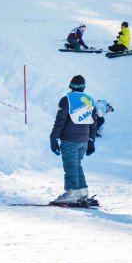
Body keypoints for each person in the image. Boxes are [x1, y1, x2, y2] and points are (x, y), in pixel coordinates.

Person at [50, 74, 99, 206]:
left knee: (71, 166)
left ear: (71, 86)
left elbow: (60, 121)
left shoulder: (67, 100)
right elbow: (93, 123)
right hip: (84, 140)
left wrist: (53, 138)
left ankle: (72, 193)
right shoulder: (90, 100)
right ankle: (82, 192)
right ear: (84, 87)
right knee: (77, 165)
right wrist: (91, 140)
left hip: (70, 139)